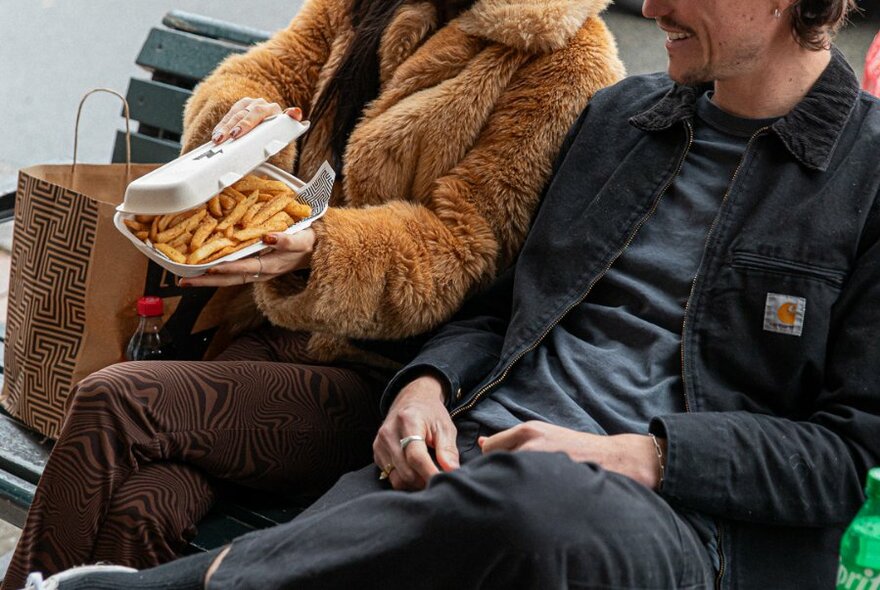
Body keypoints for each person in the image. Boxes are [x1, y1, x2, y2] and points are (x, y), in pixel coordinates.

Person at [18, 0, 880, 588]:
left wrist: (637, 455)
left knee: (536, 502)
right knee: (145, 489)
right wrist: (425, 387)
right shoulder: (624, 119)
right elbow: (504, 307)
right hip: (467, 449)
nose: (648, 5)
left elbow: (843, 458)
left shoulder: (865, 175)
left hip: (669, 515)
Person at [0, 1, 624, 588]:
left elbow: (464, 247)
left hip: (388, 381)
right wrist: (240, 119)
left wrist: (322, 251)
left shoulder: (563, 58)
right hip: (269, 335)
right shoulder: (363, 6)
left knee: (116, 400)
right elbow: (264, 75)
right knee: (144, 506)